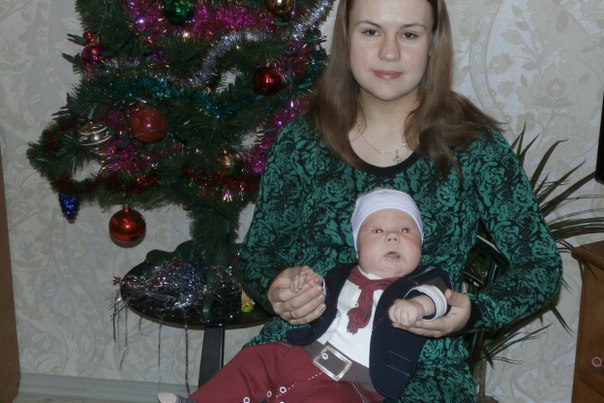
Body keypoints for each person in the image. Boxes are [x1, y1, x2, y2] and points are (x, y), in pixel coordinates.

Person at [171, 0, 563, 401]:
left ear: (433, 43)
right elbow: (261, 254)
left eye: (409, 34)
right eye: (371, 31)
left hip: (418, 373)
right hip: (298, 349)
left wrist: (475, 310)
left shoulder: (474, 148)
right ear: (346, 37)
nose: (389, 52)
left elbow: (541, 265)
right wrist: (275, 286)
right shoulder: (302, 142)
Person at [158, 189, 451, 402]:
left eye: (406, 230)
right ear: (357, 249)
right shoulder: (342, 273)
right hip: (308, 354)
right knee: (258, 358)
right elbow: (321, 295)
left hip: (359, 383)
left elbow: (439, 298)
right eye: (377, 231)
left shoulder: (421, 281)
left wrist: (419, 306)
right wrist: (307, 284)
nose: (393, 236)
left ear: (420, 245)